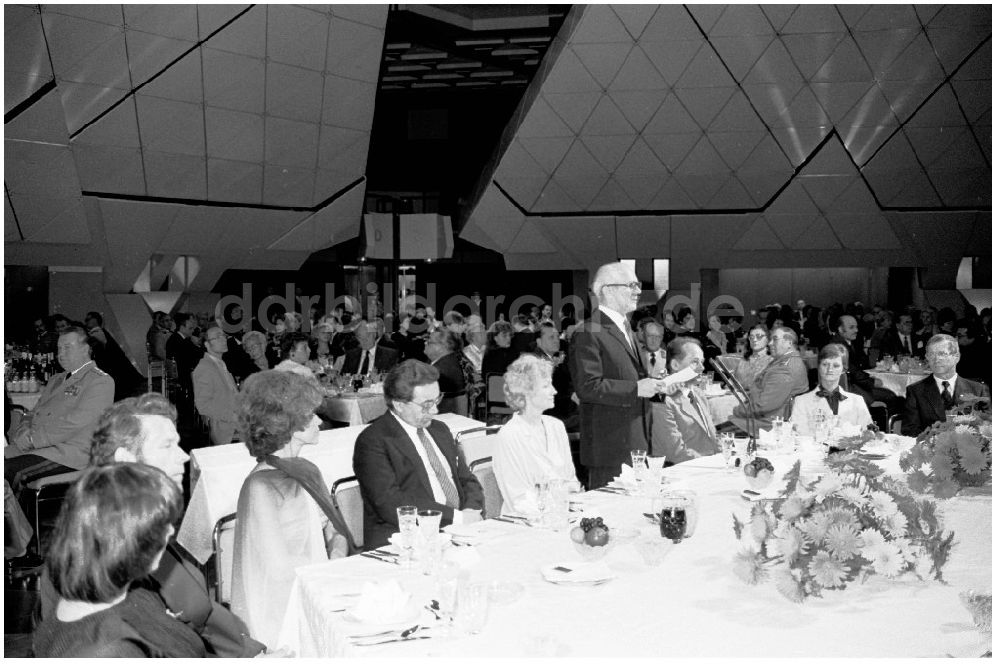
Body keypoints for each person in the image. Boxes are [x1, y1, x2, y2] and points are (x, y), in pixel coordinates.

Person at [37, 393, 267, 656]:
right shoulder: (93, 564)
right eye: (167, 445)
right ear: (126, 458)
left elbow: (202, 615)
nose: (183, 456)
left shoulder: (141, 528)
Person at [231, 371, 354, 647]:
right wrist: (329, 571)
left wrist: (336, 550)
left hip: (317, 588)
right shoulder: (261, 486)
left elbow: (335, 527)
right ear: (287, 424)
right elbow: (279, 571)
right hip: (283, 613)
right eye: (311, 416)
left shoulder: (307, 469)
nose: (320, 420)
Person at [32, 463, 205, 657]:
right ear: (124, 542)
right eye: (160, 526)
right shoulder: (112, 650)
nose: (171, 531)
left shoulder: (116, 589)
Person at [352, 360, 484, 550]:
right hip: (404, 540)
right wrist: (458, 518)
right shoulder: (373, 441)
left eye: (437, 400)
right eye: (426, 404)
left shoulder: (440, 429)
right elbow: (391, 504)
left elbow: (467, 479)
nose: (435, 410)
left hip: (459, 533)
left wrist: (471, 510)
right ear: (399, 404)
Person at [568, 262, 664, 489]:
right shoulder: (588, 332)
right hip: (610, 449)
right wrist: (637, 389)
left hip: (635, 443)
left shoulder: (626, 328)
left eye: (638, 285)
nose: (639, 291)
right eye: (631, 285)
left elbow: (629, 377)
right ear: (608, 290)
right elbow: (588, 387)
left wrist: (657, 385)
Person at [5, 327, 115, 495]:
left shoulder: (100, 381)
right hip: (39, 447)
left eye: (67, 348)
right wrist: (23, 431)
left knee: (8, 471)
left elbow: (74, 422)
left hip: (69, 454)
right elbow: (33, 413)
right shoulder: (56, 379)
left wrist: (34, 439)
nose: (61, 354)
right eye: (59, 348)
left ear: (85, 349)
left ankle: (17, 521)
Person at [493, 355, 577, 514]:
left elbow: (571, 481)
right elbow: (518, 500)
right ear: (526, 392)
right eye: (546, 386)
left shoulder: (556, 426)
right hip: (526, 523)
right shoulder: (509, 436)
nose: (554, 391)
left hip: (564, 515)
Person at [901, 334, 989, 436]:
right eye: (931, 354)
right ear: (926, 358)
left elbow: (989, 428)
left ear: (956, 357)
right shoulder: (916, 391)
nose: (936, 359)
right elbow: (909, 429)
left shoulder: (978, 390)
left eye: (942, 354)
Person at [727, 326, 809, 434]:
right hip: (765, 419)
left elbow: (763, 406)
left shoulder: (785, 368)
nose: (770, 343)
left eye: (775, 339)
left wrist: (737, 410)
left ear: (789, 343)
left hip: (766, 426)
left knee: (714, 433)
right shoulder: (788, 362)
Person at [650, 338, 718, 464]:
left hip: (706, 465)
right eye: (695, 362)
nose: (702, 368)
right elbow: (676, 452)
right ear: (675, 365)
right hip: (680, 470)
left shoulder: (698, 393)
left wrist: (725, 456)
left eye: (702, 362)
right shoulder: (663, 400)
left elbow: (713, 437)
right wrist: (712, 464)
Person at [790, 344, 873, 435]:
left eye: (836, 365)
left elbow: (868, 434)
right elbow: (800, 437)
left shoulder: (857, 401)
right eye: (825, 364)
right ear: (818, 367)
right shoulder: (801, 401)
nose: (830, 369)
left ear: (843, 369)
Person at [192, 326, 240, 446]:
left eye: (223, 336)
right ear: (207, 344)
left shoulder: (219, 363)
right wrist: (234, 417)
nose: (223, 339)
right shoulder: (204, 368)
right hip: (226, 426)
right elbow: (203, 405)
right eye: (217, 337)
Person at [83, 311, 144, 402]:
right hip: (120, 377)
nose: (86, 321)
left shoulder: (97, 334)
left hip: (117, 378)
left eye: (88, 319)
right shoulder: (101, 333)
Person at [534, 323, 578, 433]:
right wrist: (571, 397)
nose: (556, 340)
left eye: (557, 337)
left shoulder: (559, 358)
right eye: (551, 337)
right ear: (539, 342)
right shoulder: (535, 361)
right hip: (551, 412)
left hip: (565, 407)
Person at [423, 329, 468, 416]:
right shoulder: (445, 361)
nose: (425, 343)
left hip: (440, 416)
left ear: (442, 347)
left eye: (429, 342)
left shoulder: (440, 371)